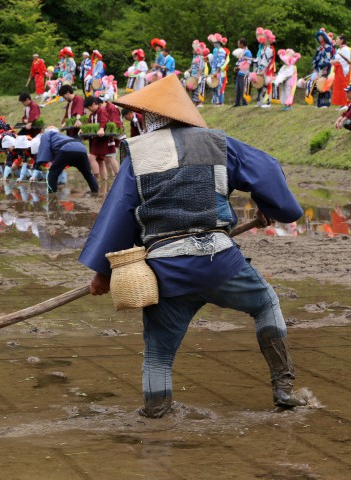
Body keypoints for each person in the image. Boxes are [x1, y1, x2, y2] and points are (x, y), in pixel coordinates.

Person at [79, 75, 306, 418]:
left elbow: (118, 217)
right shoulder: (219, 143)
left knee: (158, 355)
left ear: (150, 117)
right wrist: (272, 208)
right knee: (265, 304)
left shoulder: (137, 155)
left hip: (166, 270)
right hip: (220, 262)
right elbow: (267, 170)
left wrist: (102, 273)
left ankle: (156, 414)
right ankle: (284, 388)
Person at [35, 126, 99, 194]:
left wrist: (40, 163)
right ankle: (95, 191)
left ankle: (52, 193)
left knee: (53, 172)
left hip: (66, 149)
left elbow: (45, 148)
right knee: (87, 173)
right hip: (82, 149)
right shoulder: (61, 136)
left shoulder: (47, 134)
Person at [331, 35, 350, 107]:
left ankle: (346, 103)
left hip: (343, 69)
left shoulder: (345, 49)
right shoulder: (338, 50)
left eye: (337, 39)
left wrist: (336, 61)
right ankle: (341, 103)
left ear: (342, 40)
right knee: (338, 87)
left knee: (344, 86)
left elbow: (346, 60)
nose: (336, 40)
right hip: (338, 69)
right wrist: (333, 61)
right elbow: (337, 59)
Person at [233, 38, 253, 106]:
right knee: (238, 88)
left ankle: (244, 102)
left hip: (244, 73)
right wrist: (236, 67)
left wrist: (239, 67)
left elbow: (248, 62)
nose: (237, 44)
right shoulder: (240, 51)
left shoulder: (247, 52)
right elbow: (239, 61)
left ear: (242, 44)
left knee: (242, 88)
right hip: (239, 72)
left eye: (238, 43)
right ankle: (237, 102)